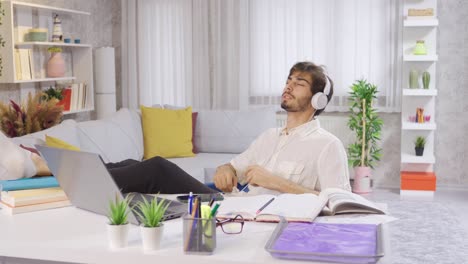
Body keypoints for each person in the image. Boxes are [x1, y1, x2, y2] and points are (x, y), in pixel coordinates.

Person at [213, 61, 351, 195]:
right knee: (192, 189)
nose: (288, 87)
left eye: (299, 84)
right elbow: (233, 167)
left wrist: (275, 182)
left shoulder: (328, 145)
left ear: (318, 99)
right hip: (240, 210)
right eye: (288, 82)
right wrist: (225, 169)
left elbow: (338, 203)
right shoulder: (268, 136)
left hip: (279, 217)